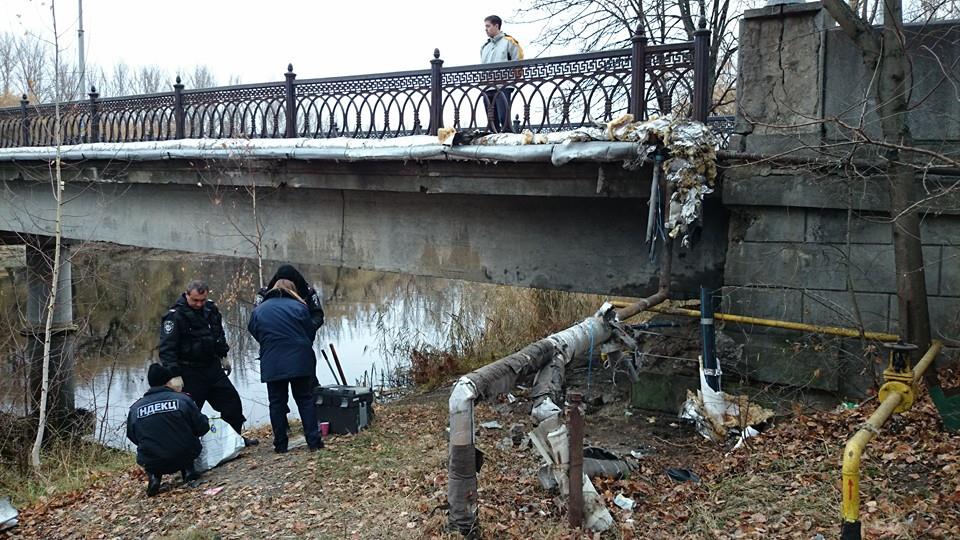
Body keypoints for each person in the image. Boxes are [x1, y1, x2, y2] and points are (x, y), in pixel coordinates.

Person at [159, 279, 257, 446]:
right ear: (187, 295)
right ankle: (190, 450)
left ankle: (234, 440)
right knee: (188, 413)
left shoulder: (210, 308)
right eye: (195, 300)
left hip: (212, 368)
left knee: (232, 404)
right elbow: (167, 349)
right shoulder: (174, 316)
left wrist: (223, 355)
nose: (199, 304)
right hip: (189, 371)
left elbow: (218, 334)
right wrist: (173, 375)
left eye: (202, 300)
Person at [248, 278, 324, 454]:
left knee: (276, 403)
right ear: (293, 291)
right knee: (305, 399)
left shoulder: (260, 310)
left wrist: (269, 343)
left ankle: (280, 445)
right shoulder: (300, 307)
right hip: (299, 360)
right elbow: (309, 330)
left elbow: (253, 329)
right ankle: (314, 442)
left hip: (273, 361)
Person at [126, 363, 209, 496]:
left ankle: (154, 477)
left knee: (150, 448)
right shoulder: (183, 399)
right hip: (184, 454)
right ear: (168, 382)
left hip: (152, 460)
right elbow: (202, 427)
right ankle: (188, 471)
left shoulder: (135, 409)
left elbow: (132, 436)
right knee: (185, 441)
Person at [480, 15, 524, 133]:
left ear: (496, 26)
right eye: (485, 26)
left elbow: (518, 62)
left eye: (488, 26)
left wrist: (511, 80)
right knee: (491, 122)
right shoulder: (485, 46)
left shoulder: (509, 42)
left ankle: (508, 141)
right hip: (487, 87)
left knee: (504, 119)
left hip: (503, 86)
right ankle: (493, 143)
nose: (486, 29)